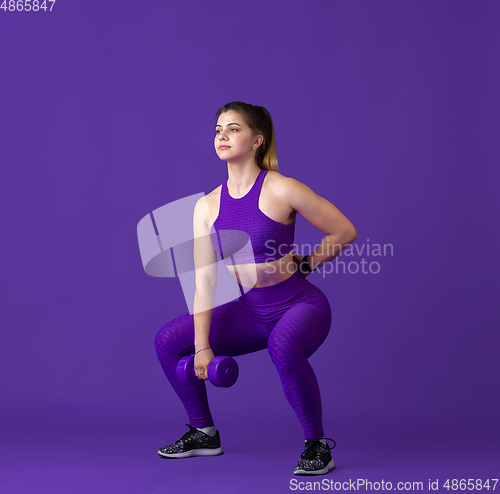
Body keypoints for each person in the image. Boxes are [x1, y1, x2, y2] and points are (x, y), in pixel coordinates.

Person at [154, 101, 357, 475]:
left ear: (257, 140)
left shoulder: (283, 188)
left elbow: (344, 231)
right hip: (248, 313)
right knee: (168, 340)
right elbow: (205, 280)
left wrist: (306, 263)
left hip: (299, 305)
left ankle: (317, 445)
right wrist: (202, 347)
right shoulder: (206, 206)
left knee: (283, 345)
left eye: (233, 128)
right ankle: (203, 433)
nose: (222, 136)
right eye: (218, 129)